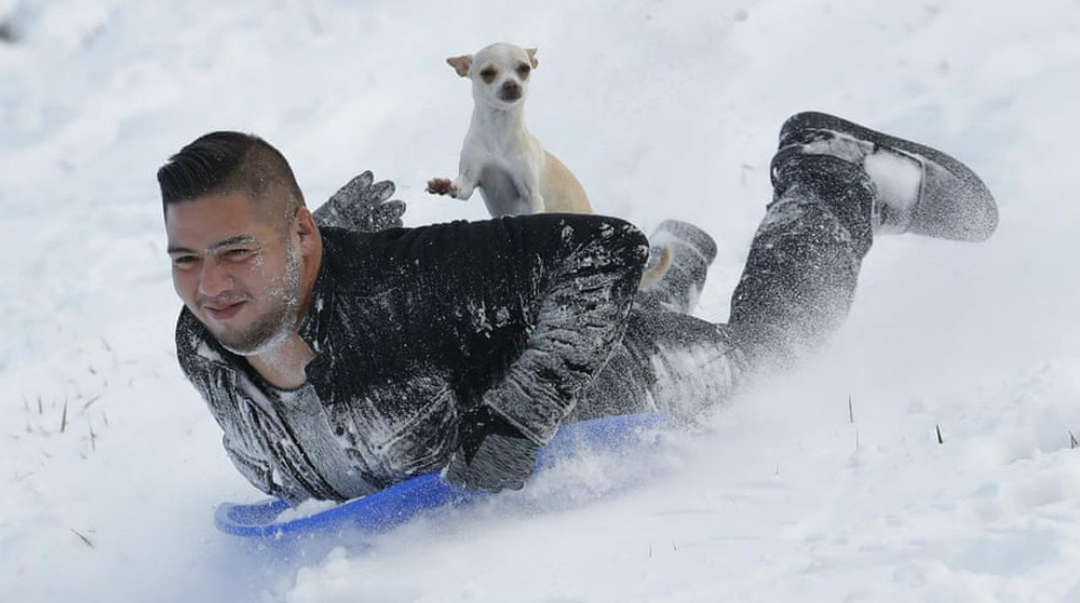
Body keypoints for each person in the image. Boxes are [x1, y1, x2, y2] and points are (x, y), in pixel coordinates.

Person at [159, 111, 997, 503]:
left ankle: (830, 177)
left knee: (775, 356)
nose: (212, 287)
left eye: (240, 251)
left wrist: (521, 417)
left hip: (622, 379)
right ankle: (681, 271)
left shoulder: (410, 286)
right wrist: (316, 250)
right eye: (187, 259)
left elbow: (602, 251)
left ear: (296, 231)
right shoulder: (203, 345)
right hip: (524, 325)